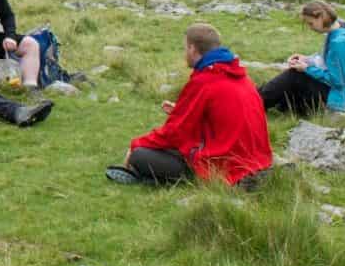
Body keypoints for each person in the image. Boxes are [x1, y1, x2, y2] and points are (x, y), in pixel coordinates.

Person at [106, 23, 271, 186]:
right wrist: (181, 110)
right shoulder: (240, 76)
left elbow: (173, 133)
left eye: (185, 48)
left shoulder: (205, 80)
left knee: (140, 155)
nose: (184, 53)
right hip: (254, 160)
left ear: (192, 49)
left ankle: (172, 178)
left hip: (223, 166)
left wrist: (136, 144)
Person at [259, 0, 345, 115]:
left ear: (321, 18)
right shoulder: (342, 30)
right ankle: (265, 99)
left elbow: (338, 81)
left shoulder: (339, 43)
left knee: (294, 75)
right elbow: (328, 60)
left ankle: (256, 102)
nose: (310, 27)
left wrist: (307, 69)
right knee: (293, 84)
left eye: (310, 23)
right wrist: (307, 59)